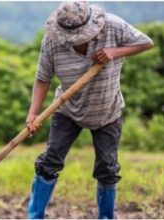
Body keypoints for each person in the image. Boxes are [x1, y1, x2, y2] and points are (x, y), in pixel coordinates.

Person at [26, 1, 153, 219]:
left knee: (107, 168)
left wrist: (115, 52)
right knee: (49, 162)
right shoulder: (52, 41)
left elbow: (146, 43)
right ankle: (34, 216)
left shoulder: (112, 26)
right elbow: (42, 78)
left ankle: (106, 217)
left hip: (107, 111)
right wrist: (33, 113)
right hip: (67, 110)